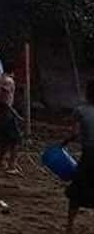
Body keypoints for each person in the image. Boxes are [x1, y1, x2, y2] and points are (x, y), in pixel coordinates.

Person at [64, 79, 94, 233]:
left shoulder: (80, 110)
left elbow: (74, 134)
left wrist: (63, 143)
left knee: (76, 191)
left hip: (89, 155)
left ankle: (69, 226)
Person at [0, 61, 21, 172]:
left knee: (5, 139)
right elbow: (4, 97)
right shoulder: (8, 81)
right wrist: (14, 113)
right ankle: (12, 166)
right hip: (6, 111)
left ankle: (0, 162)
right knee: (15, 140)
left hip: (0, 110)